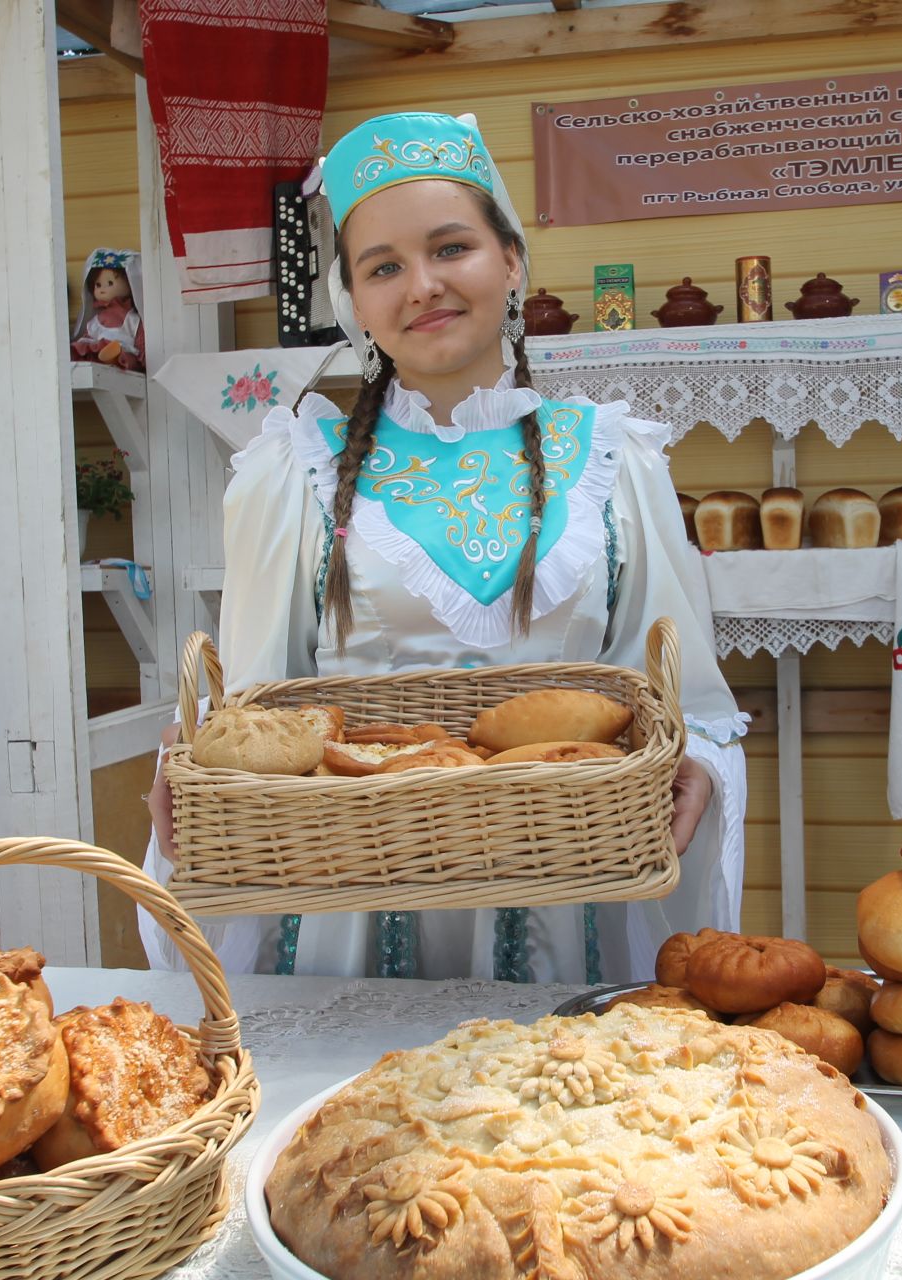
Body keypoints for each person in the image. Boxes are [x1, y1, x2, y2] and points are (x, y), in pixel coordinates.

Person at [143, 111, 747, 984]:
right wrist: (193, 758)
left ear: (512, 261)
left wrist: (699, 763)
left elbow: (679, 701)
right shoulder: (298, 471)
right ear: (354, 302)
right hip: (351, 902)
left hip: (566, 885)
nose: (422, 286)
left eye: (451, 248)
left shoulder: (614, 462)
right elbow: (256, 708)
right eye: (383, 267)